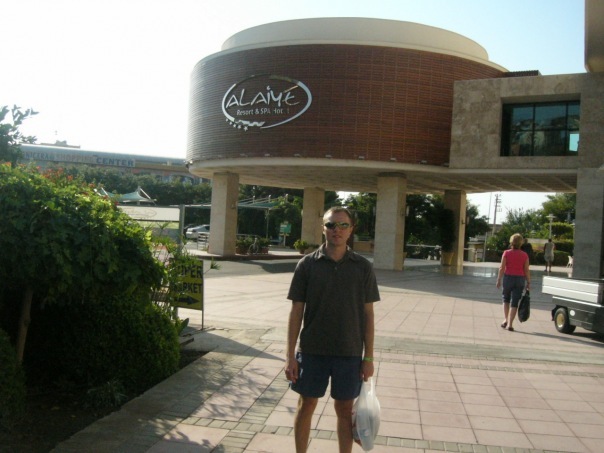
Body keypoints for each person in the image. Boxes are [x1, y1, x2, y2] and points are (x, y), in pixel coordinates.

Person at [285, 207, 380, 453]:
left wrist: (368, 357)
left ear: (351, 230)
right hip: (312, 350)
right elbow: (296, 311)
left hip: (349, 352)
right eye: (330, 225)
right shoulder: (307, 265)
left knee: (344, 410)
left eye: (343, 225)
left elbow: (368, 315)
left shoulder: (362, 267)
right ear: (323, 228)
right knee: (306, 404)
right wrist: (290, 356)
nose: (336, 230)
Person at [496, 233, 530, 332]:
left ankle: (506, 319)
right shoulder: (524, 255)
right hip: (520, 279)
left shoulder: (506, 253)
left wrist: (499, 279)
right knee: (514, 302)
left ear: (511, 242)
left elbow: (502, 268)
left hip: (508, 278)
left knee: (506, 299)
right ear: (521, 243)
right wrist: (528, 282)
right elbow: (526, 270)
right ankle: (510, 324)